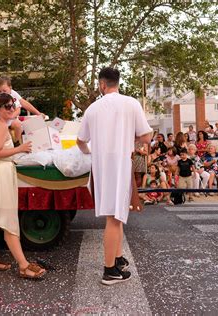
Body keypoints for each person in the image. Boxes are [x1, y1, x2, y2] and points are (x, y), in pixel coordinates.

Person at [76, 67, 152, 285]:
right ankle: (109, 270)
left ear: (102, 84)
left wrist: (90, 152)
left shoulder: (92, 108)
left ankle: (116, 260)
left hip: (102, 166)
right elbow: (146, 137)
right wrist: (132, 139)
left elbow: (80, 141)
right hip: (120, 164)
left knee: (116, 216)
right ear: (117, 82)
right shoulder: (131, 103)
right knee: (115, 216)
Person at [0, 93, 46, 279]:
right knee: (7, 220)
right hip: (0, 172)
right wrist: (19, 148)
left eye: (12, 105)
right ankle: (23, 265)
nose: (12, 108)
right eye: (7, 106)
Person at [0, 76, 43, 144]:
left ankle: (17, 142)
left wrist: (38, 113)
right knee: (2, 128)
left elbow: (19, 108)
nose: (3, 93)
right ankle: (7, 144)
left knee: (18, 125)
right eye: (0, 91)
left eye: (4, 91)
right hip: (1, 120)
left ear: (10, 88)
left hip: (12, 118)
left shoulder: (13, 97)